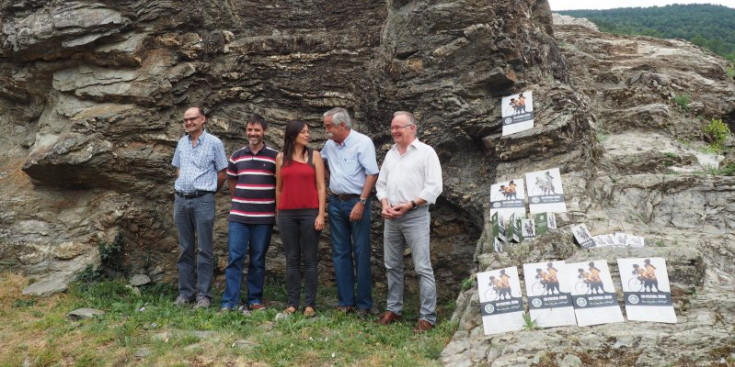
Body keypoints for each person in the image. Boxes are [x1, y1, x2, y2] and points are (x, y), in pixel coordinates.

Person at [375, 111, 443, 333]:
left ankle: (427, 317)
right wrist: (384, 204)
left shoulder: (426, 153)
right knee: (391, 265)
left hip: (415, 215)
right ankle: (394, 310)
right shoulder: (391, 154)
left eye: (399, 127)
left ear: (412, 128)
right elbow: (381, 184)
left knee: (422, 267)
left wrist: (411, 204)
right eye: (392, 128)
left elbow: (434, 187)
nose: (394, 131)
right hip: (391, 216)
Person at [321, 107, 379, 316]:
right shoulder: (329, 145)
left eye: (329, 126)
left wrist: (362, 202)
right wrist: (331, 180)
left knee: (362, 252)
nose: (326, 130)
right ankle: (345, 302)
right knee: (340, 253)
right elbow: (320, 162)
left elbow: (372, 173)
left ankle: (364, 304)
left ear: (342, 125)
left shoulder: (362, 142)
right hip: (336, 203)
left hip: (357, 201)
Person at [220, 114, 278, 314]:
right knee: (235, 258)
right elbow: (231, 182)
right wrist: (243, 201)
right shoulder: (236, 155)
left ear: (265, 132)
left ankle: (254, 299)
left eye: (257, 130)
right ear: (246, 131)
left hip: (264, 218)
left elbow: (279, 185)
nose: (253, 134)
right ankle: (230, 302)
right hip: (239, 217)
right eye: (250, 130)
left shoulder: (274, 156)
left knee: (257, 259)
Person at [172, 106, 228, 309]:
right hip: (181, 200)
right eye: (185, 120)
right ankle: (185, 293)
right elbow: (178, 167)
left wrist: (209, 191)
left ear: (203, 119)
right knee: (185, 248)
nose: (188, 122)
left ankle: (203, 296)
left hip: (203, 200)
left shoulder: (214, 143)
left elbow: (223, 172)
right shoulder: (181, 143)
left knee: (205, 249)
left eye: (192, 119)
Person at [276, 120, 327, 317]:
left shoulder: (315, 156)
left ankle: (310, 304)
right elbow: (279, 188)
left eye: (308, 131)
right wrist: (278, 213)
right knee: (292, 259)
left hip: (309, 213)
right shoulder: (281, 158)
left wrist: (321, 214)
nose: (308, 135)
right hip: (287, 214)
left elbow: (321, 186)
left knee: (310, 260)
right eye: (303, 132)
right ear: (293, 135)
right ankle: (292, 303)